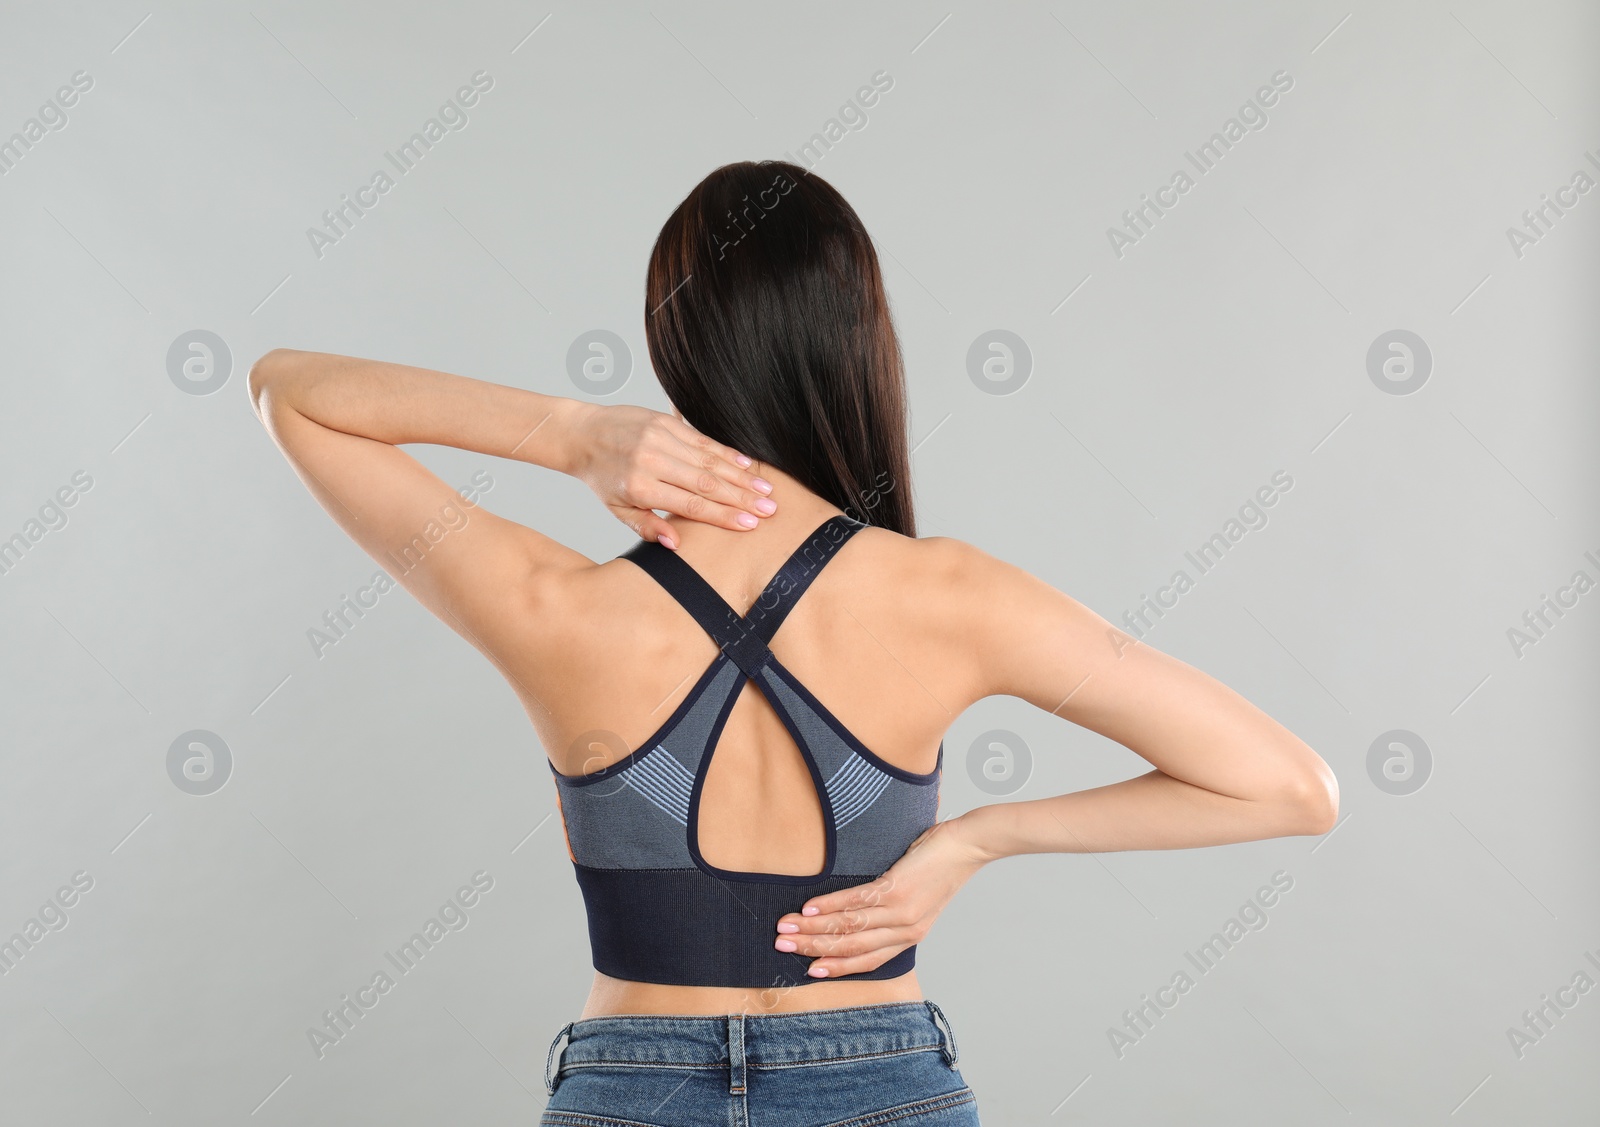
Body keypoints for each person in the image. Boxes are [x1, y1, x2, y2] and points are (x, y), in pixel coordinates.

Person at [248, 160, 1338, 1126]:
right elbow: (1289, 787)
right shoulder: (949, 594)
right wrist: (975, 840)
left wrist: (571, 432)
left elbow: (288, 390)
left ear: (672, 342)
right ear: (859, 338)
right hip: (881, 1081)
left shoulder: (552, 604)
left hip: (632, 1086)